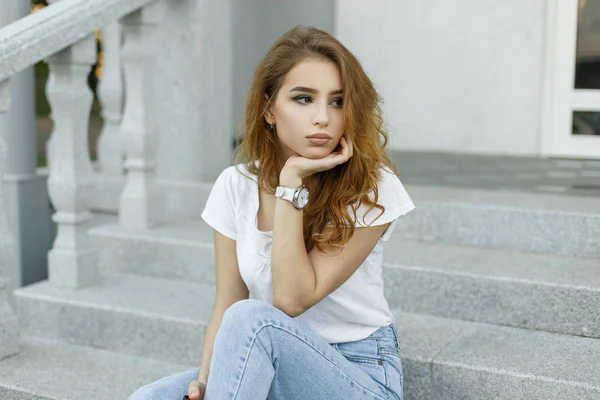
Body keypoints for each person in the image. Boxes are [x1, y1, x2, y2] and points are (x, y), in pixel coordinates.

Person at [128, 25, 415, 400]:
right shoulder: (235, 186)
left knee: (253, 319)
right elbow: (227, 302)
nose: (322, 118)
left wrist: (291, 182)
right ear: (268, 110)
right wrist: (203, 381)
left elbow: (291, 300)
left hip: (359, 374)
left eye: (337, 101)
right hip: (271, 357)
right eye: (303, 99)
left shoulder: (372, 187)